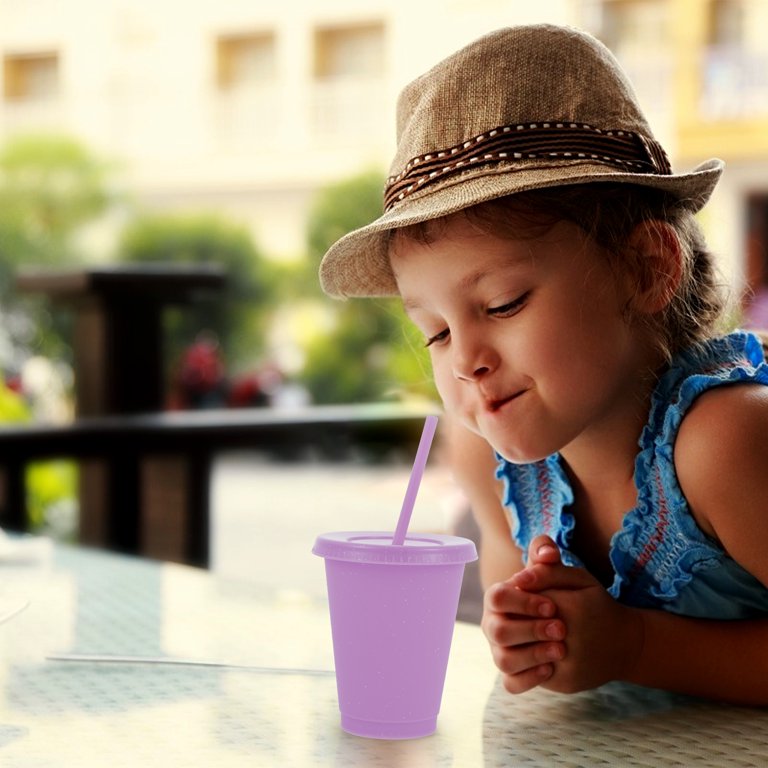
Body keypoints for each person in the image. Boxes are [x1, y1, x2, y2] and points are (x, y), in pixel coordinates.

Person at [317, 24, 768, 705]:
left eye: (502, 304)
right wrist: (529, 641)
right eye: (434, 332)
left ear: (648, 268)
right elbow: (528, 673)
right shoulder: (488, 461)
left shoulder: (725, 445)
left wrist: (635, 644)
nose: (465, 360)